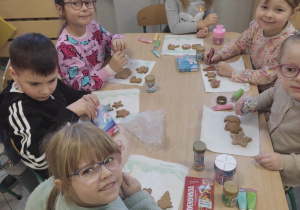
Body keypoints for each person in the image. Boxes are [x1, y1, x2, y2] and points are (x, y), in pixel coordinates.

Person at [0, 33, 100, 179]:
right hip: (59, 171)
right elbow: (38, 160)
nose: (46, 90)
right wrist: (70, 113)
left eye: (52, 80)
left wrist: (86, 98)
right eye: (34, 84)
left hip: (74, 143)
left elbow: (70, 94)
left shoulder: (47, 80)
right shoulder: (18, 110)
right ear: (14, 74)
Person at [25, 123, 161, 210]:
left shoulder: (45, 191)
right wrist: (138, 199)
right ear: (66, 187)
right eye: (88, 170)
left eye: (108, 160)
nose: (107, 173)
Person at [235, 31, 300, 187]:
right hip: (263, 143)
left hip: (283, 170)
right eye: (291, 69)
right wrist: (254, 102)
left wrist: (284, 162)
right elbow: (272, 94)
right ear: (278, 70)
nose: (298, 78)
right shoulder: (284, 84)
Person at [205, 0, 298, 92]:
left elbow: (266, 76)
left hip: (267, 94)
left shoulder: (287, 43)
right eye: (264, 7)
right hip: (250, 77)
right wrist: (219, 55)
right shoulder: (258, 25)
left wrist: (232, 72)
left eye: (279, 10)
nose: (269, 15)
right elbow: (239, 43)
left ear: (292, 13)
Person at [55, 0, 128, 91]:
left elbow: (107, 42)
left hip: (104, 81)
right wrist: (110, 69)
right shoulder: (64, 47)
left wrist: (116, 40)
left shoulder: (92, 25)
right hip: (87, 96)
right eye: (75, 3)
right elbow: (78, 85)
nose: (85, 8)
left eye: (88, 2)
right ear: (60, 9)